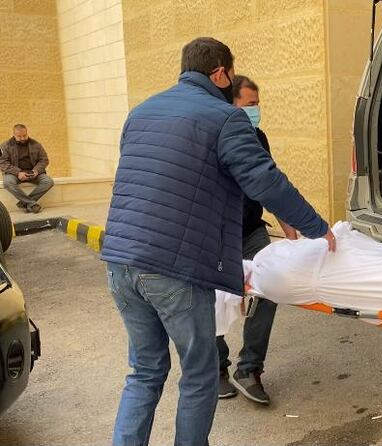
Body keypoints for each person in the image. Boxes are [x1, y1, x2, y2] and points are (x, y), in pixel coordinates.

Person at [101, 37, 336, 446]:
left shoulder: (140, 112)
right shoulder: (225, 119)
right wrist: (318, 227)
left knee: (144, 370)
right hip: (173, 267)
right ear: (221, 73)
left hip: (120, 260)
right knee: (199, 372)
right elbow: (266, 181)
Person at [216, 74, 298, 405]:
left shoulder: (258, 137)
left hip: (252, 230)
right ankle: (216, 368)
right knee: (214, 301)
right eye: (250, 105)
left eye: (257, 104)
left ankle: (249, 368)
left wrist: (291, 234)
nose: (256, 110)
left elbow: (271, 183)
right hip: (218, 236)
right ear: (231, 106)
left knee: (271, 287)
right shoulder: (215, 138)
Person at [0, 124, 54, 214]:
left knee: (48, 181)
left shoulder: (36, 144)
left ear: (27, 133)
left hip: (33, 172)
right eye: (19, 136)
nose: (22, 138)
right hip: (14, 173)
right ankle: (31, 204)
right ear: (13, 135)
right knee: (8, 182)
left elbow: (44, 160)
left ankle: (24, 203)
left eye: (24, 135)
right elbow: (2, 162)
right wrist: (18, 172)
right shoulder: (4, 145)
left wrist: (36, 170)